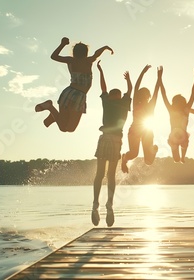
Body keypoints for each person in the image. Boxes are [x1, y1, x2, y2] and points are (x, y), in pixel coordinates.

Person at [35, 37, 113, 132]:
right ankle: (51, 110)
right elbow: (97, 53)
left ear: (74, 52)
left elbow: (54, 56)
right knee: (70, 129)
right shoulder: (88, 61)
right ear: (86, 52)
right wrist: (105, 47)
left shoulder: (70, 60)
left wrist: (62, 44)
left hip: (68, 93)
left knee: (64, 128)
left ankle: (51, 109)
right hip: (78, 96)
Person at [91, 60, 132, 227]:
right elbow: (129, 90)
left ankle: (96, 204)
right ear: (119, 96)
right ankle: (108, 204)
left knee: (101, 174)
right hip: (115, 140)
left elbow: (103, 88)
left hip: (107, 138)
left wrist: (100, 70)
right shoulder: (123, 103)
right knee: (109, 175)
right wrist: (128, 79)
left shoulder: (108, 102)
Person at [120, 65, 159, 173]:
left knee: (149, 162)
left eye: (146, 95)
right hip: (135, 130)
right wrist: (143, 72)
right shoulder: (136, 103)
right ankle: (124, 159)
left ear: (148, 97)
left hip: (147, 131)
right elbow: (136, 87)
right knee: (134, 154)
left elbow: (156, 91)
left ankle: (153, 151)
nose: (143, 97)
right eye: (141, 94)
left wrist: (159, 78)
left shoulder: (151, 104)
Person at [159, 66, 194, 163]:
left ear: (182, 103)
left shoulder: (186, 109)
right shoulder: (171, 110)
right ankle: (180, 158)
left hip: (183, 136)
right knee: (176, 160)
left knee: (183, 147)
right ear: (174, 103)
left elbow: (193, 93)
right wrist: (160, 78)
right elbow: (163, 94)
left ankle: (183, 156)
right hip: (173, 136)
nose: (177, 104)